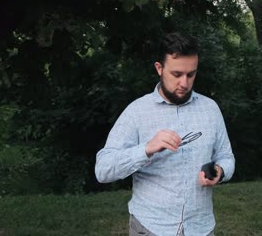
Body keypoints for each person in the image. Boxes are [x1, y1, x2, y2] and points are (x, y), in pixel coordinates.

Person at [95, 32, 235, 236]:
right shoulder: (137, 111)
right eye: (176, 74)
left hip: (201, 228)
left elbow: (226, 156)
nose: (184, 83)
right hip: (151, 227)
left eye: (191, 74)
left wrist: (220, 171)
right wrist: (146, 149)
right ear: (159, 68)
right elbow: (103, 170)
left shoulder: (210, 109)